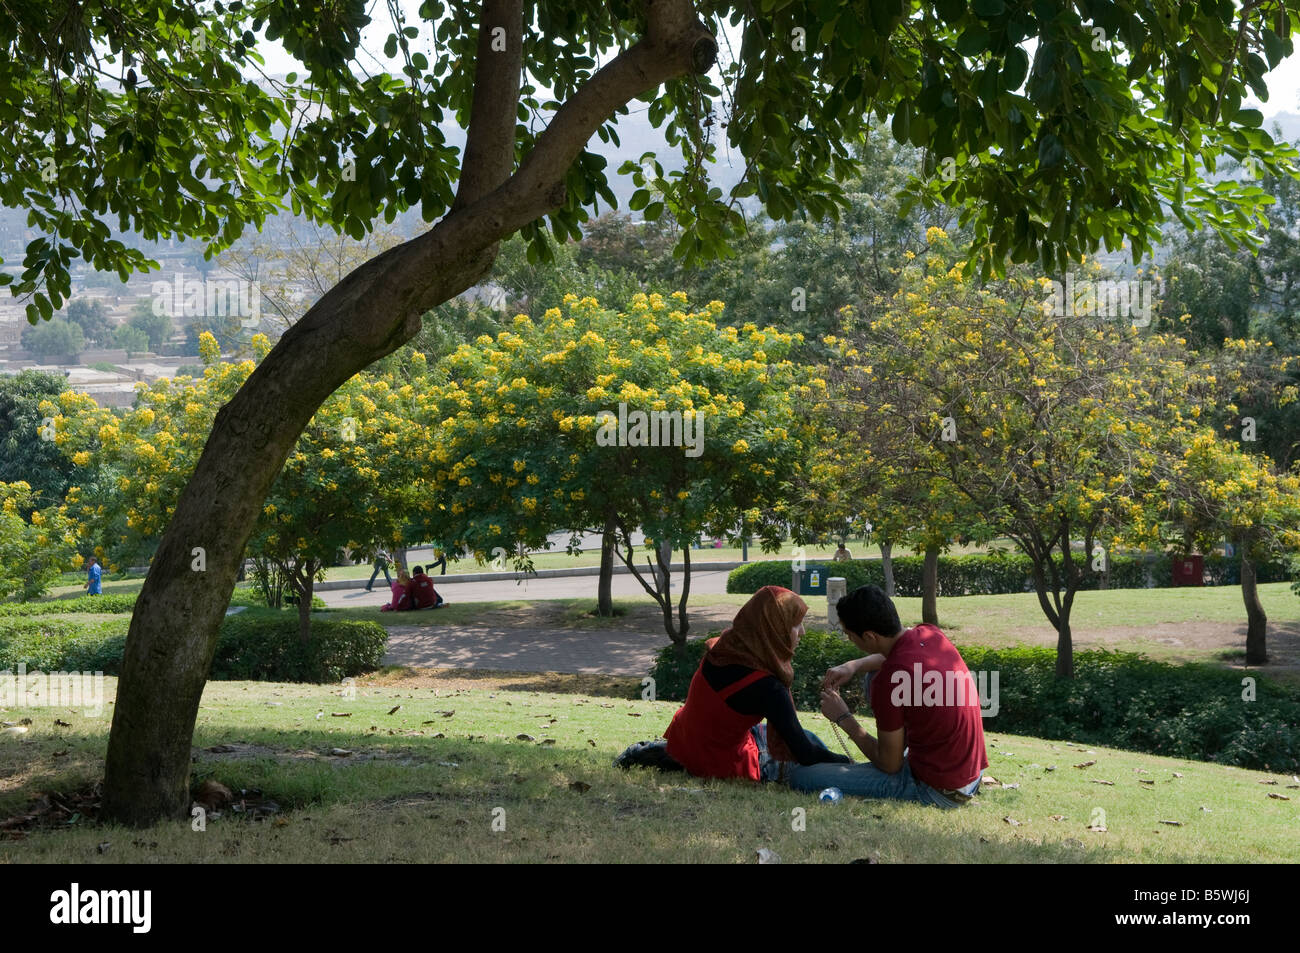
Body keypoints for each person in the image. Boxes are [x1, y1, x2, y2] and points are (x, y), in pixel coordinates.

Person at [786, 584, 988, 809]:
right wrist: (852, 666)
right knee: (872, 674)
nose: (850, 641)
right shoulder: (929, 634)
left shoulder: (890, 681)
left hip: (938, 791)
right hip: (969, 776)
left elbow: (890, 765)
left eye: (849, 635)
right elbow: (894, 657)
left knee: (802, 777)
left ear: (869, 636)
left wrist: (843, 717)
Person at [656, 585, 852, 781]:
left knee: (803, 735)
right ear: (774, 628)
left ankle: (654, 752)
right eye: (795, 624)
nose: (802, 632)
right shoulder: (769, 688)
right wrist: (846, 761)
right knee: (806, 749)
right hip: (718, 763)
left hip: (681, 742)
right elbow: (805, 754)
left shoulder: (721, 648)